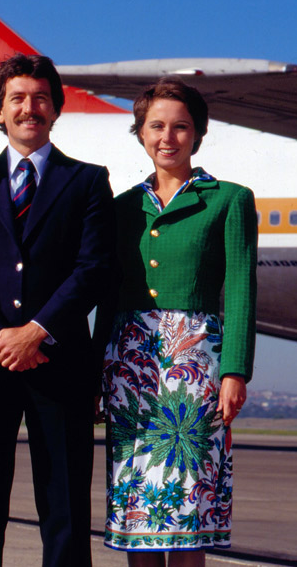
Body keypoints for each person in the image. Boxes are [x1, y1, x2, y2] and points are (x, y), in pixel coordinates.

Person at [0, 53, 113, 567]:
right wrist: (1, 335)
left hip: (59, 363)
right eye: (17, 98)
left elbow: (92, 271)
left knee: (63, 508)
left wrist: (36, 332)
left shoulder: (86, 181)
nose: (29, 108)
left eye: (41, 98)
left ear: (56, 109)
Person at [97, 77, 256, 566]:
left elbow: (243, 289)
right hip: (130, 370)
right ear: (141, 134)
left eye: (181, 127)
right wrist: (96, 371)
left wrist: (235, 371)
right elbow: (107, 296)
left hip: (195, 371)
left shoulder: (229, 199)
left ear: (198, 134)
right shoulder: (120, 207)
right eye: (157, 126)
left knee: (187, 514)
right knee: (135, 511)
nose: (168, 137)